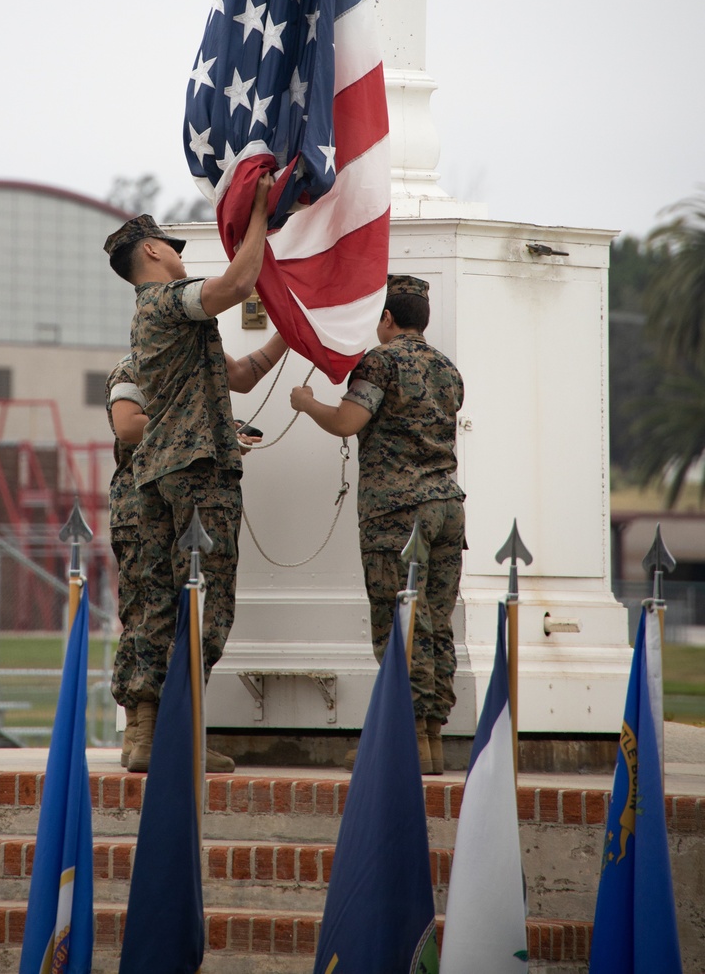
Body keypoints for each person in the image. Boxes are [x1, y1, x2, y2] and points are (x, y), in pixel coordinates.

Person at [103, 176, 286, 772]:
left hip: (167, 473)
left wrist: (293, 331)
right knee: (206, 598)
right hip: (197, 469)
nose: (181, 254)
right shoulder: (163, 301)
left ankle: (148, 738)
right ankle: (172, 736)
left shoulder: (163, 318)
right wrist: (259, 212)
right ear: (153, 251)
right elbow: (236, 283)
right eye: (172, 245)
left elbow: (241, 377)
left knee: (161, 601)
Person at [289, 274, 465, 774]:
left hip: (397, 513)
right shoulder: (447, 369)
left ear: (387, 318)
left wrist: (307, 405)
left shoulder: (381, 361)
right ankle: (428, 737)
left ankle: (403, 741)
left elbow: (347, 422)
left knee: (400, 623)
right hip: (448, 506)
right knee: (433, 622)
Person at [103, 354, 148, 769]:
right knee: (145, 617)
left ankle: (140, 735)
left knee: (147, 617)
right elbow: (128, 425)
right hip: (140, 511)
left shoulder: (187, 362)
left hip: (161, 510)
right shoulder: (132, 367)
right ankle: (141, 732)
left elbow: (244, 373)